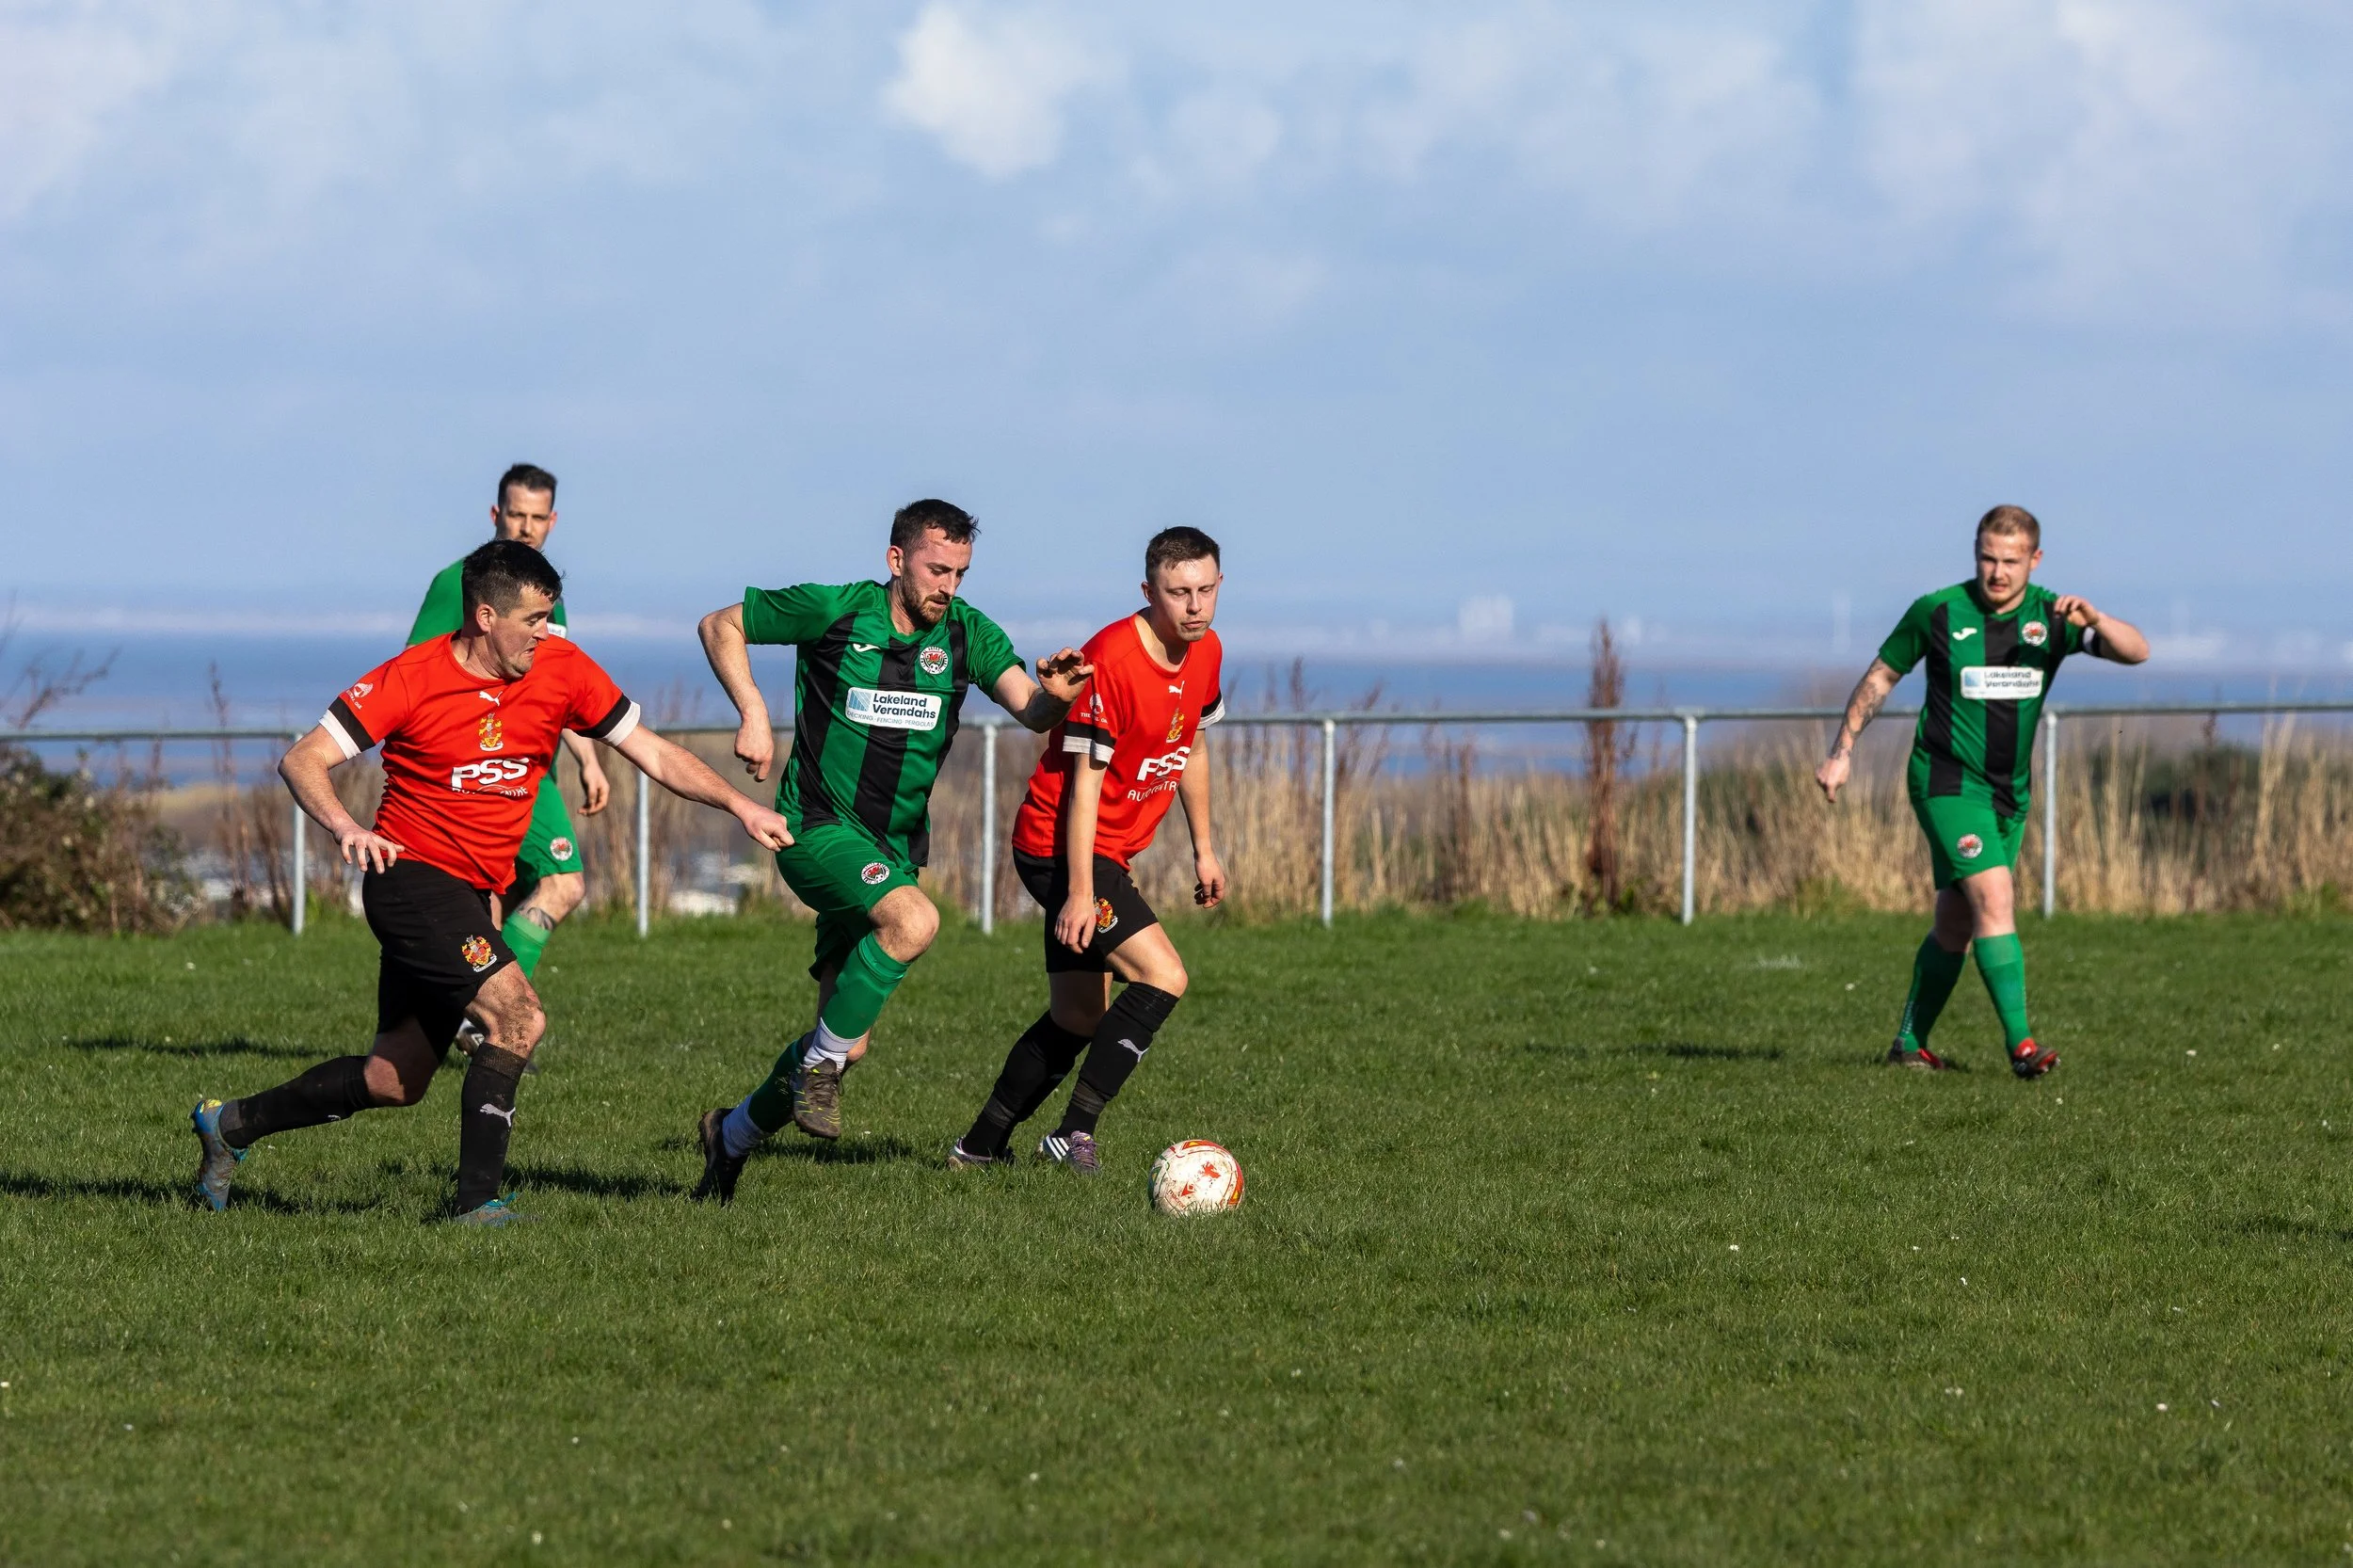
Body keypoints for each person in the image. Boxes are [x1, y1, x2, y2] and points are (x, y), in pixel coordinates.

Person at [189, 540, 791, 1224]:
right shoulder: (410, 678)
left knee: (395, 1079)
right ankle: (477, 1205)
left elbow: (650, 750)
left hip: (474, 893)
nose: (546, 632)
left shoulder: (563, 668)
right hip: (409, 879)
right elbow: (305, 759)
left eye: (549, 617)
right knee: (519, 1017)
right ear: (484, 615)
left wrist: (740, 805)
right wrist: (345, 826)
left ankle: (229, 1125)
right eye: (533, 619)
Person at [688, 499, 1091, 1203]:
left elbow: (1030, 710)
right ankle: (814, 1069)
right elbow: (720, 624)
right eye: (938, 569)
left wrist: (1056, 698)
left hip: (889, 853)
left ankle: (731, 1135)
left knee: (848, 1044)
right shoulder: (836, 611)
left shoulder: (968, 634)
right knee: (915, 922)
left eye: (961, 573)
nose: (949, 586)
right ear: (896, 560)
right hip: (812, 831)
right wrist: (753, 712)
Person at [1817, 504, 2148, 1076]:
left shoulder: (2054, 617)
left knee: (1956, 922)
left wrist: (2095, 616)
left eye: (2011, 561)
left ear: (2034, 560)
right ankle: (2022, 1046)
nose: (1997, 572)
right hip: (1944, 781)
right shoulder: (1938, 611)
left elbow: (2135, 651)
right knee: (1995, 898)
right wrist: (1841, 753)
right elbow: (1880, 677)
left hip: (2008, 795)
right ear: (1975, 553)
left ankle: (1908, 1045)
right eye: (1988, 558)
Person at [951, 526, 1228, 1174]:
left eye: (1205, 590)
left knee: (1077, 1016)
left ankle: (978, 1148)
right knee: (1164, 975)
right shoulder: (1112, 659)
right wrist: (1079, 892)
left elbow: (1191, 747)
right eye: (1178, 593)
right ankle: (1072, 1132)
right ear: (1148, 591)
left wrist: (1205, 849)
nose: (1194, 606)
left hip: (1105, 853)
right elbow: (1083, 788)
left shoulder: (1206, 650)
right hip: (1059, 846)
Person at [407, 464, 608, 995]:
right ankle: (490, 1009)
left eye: (537, 517)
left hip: (536, 766)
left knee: (504, 900)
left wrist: (588, 759)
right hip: (487, 764)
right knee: (561, 884)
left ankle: (476, 1014)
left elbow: (559, 683)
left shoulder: (548, 592)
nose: (525, 527)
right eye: (516, 514)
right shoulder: (458, 583)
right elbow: (414, 673)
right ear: (496, 514)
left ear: (553, 521)